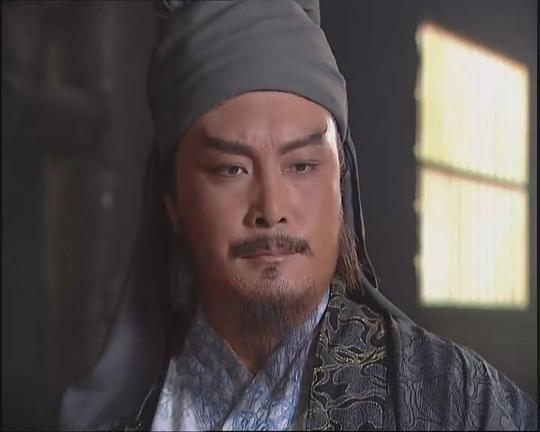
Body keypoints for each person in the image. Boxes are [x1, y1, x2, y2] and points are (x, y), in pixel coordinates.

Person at [59, 0, 538, 430]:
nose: (271, 210)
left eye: (303, 166)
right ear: (172, 202)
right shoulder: (123, 416)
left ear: (340, 186)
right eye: (231, 169)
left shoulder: (460, 400)